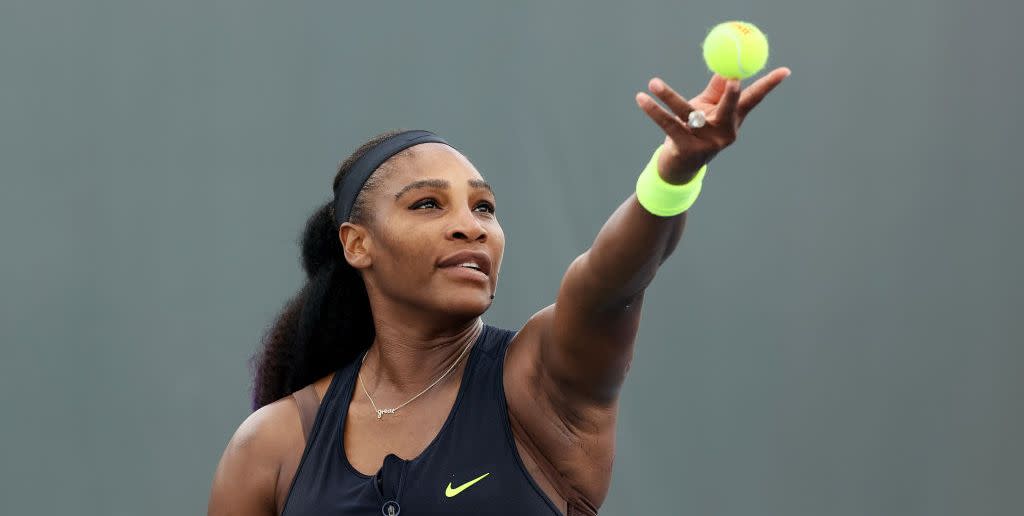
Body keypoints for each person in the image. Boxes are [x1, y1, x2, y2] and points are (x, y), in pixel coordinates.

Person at [207, 68, 791, 516]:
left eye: (484, 206)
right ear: (358, 245)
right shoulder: (273, 444)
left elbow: (609, 287)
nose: (472, 225)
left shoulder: (541, 383)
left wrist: (672, 176)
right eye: (428, 204)